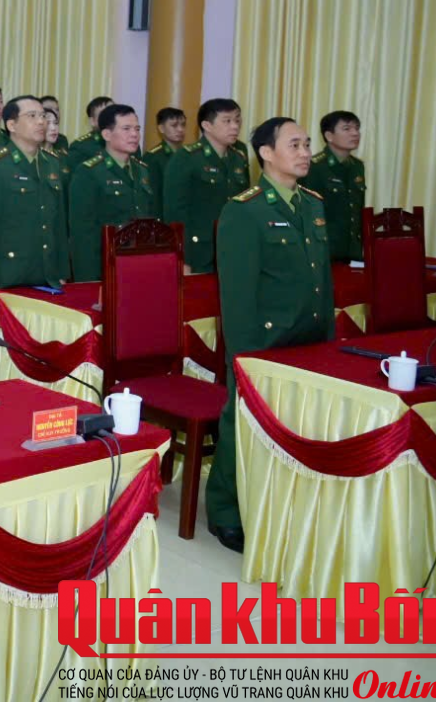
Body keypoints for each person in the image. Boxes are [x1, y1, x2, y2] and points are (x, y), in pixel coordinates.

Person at [205, 117, 333, 553]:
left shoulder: (312, 205)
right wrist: (244, 355)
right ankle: (225, 510)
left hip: (308, 337)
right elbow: (237, 293)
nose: (305, 152)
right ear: (265, 153)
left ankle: (280, 501)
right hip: (265, 341)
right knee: (243, 422)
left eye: (307, 144)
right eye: (294, 145)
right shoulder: (245, 210)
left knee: (297, 424)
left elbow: (322, 280)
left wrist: (327, 336)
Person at [0, 96, 69, 298]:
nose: (41, 121)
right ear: (12, 125)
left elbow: (58, 222)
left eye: (42, 116)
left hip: (46, 274)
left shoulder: (51, 163)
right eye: (32, 116)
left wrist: (61, 270)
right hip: (9, 274)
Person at [67, 104, 156, 282]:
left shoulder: (142, 170)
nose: (134, 134)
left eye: (137, 129)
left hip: (139, 264)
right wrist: (88, 279)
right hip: (104, 266)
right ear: (107, 134)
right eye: (126, 129)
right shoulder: (89, 172)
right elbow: (82, 232)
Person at [162, 98, 249, 274]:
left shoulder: (238, 158)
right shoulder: (186, 158)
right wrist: (183, 257)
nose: (235, 126)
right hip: (199, 252)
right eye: (227, 121)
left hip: (232, 249)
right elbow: (176, 212)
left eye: (237, 120)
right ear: (207, 125)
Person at [301, 110, 366, 262]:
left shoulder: (357, 166)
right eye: (347, 128)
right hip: (324, 249)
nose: (355, 133)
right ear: (329, 136)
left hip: (353, 249)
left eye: (357, 128)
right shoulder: (314, 166)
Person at [144, 107, 187, 208]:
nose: (180, 129)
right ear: (161, 128)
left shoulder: (188, 155)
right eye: (174, 125)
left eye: (183, 125)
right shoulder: (153, 157)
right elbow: (153, 196)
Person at [64, 97, 115, 170]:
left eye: (113, 113)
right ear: (92, 121)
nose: (110, 118)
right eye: (104, 114)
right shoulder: (80, 147)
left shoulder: (126, 142)